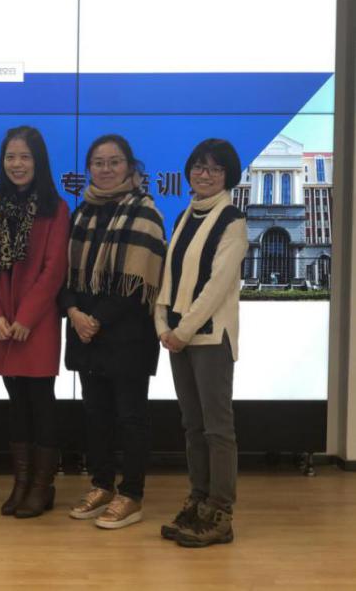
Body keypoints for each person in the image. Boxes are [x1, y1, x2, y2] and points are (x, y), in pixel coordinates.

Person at [61, 134, 165, 529]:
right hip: (85, 332)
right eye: (98, 163)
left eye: (114, 162)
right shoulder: (81, 212)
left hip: (127, 336)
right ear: (89, 168)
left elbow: (138, 282)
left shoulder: (145, 213)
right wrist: (74, 312)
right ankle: (101, 485)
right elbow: (64, 273)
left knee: (131, 417)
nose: (106, 169)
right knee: (96, 415)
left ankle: (131, 495)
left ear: (130, 166)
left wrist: (96, 319)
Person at [155, 138, 248, 548]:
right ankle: (197, 501)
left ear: (228, 176)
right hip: (178, 337)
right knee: (192, 425)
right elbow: (169, 276)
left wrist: (182, 330)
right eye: (198, 166)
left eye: (214, 168)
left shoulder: (232, 221)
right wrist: (162, 322)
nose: (204, 174)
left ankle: (220, 514)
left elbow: (216, 287)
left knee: (217, 429)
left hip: (210, 338)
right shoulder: (184, 216)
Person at [0, 126, 69, 519]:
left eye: (25, 157)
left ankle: (42, 486)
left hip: (37, 323)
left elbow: (54, 270)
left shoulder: (56, 208)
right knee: (16, 403)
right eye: (10, 157)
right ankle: (21, 482)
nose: (17, 164)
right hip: (3, 322)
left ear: (39, 162)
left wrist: (26, 317)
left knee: (41, 402)